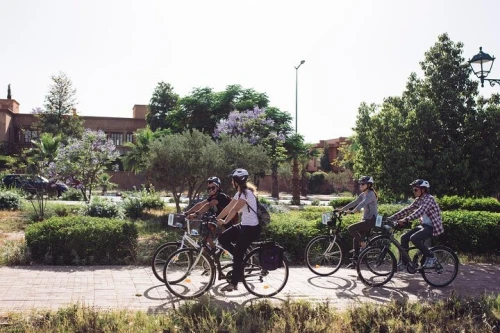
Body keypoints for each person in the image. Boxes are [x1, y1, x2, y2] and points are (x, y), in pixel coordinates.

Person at [216, 168, 261, 292]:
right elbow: (228, 207)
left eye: (232, 180)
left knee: (237, 255)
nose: (231, 182)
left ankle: (234, 283)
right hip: (244, 225)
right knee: (222, 238)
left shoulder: (247, 194)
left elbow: (235, 209)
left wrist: (224, 221)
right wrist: (217, 218)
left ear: (236, 181)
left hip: (251, 228)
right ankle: (239, 258)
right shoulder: (240, 193)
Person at [388, 179, 444, 269]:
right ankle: (405, 263)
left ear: (423, 189)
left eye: (415, 190)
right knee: (404, 237)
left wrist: (406, 219)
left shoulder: (429, 199)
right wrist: (391, 218)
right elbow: (407, 209)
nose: (414, 192)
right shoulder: (419, 199)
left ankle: (431, 257)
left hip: (432, 227)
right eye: (413, 190)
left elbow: (419, 212)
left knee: (414, 238)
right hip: (424, 226)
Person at [183, 177, 237, 250]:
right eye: (209, 188)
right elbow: (200, 204)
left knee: (208, 229)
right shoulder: (212, 197)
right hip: (220, 220)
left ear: (218, 187)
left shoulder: (221, 196)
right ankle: (213, 250)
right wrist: (187, 213)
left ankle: (213, 249)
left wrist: (195, 214)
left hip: (227, 222)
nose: (211, 190)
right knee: (206, 229)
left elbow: (208, 205)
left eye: (213, 187)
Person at [339, 176, 378, 268]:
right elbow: (355, 202)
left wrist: (353, 211)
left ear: (368, 185)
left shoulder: (371, 194)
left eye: (363, 184)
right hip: (366, 220)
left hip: (371, 220)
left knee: (351, 228)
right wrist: (342, 209)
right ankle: (356, 261)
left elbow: (362, 204)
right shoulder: (363, 194)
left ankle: (363, 244)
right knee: (355, 239)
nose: (361, 185)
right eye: (360, 184)